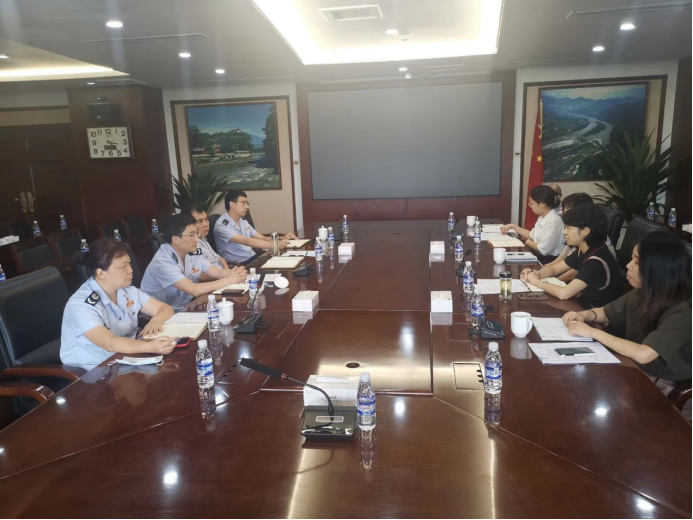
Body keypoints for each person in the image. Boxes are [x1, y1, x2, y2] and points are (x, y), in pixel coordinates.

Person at [563, 232, 691, 408]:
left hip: (668, 384)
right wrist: (585, 315)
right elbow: (606, 312)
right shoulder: (645, 291)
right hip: (635, 367)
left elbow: (644, 354)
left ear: (657, 269)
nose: (628, 266)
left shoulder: (683, 311)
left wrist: (592, 332)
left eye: (636, 262)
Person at [61, 238, 177, 371]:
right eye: (123, 266)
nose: (130, 270)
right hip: (94, 371)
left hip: (126, 358)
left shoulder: (126, 290)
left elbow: (165, 308)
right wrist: (150, 347)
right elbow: (109, 343)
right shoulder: (81, 304)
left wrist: (156, 319)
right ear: (101, 273)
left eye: (129, 263)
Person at [521, 204, 625, 309]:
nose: (564, 232)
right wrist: (536, 273)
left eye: (568, 228)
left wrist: (536, 282)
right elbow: (554, 269)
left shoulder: (596, 261)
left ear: (585, 231)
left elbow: (564, 293)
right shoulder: (585, 249)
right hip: (584, 304)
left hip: (598, 313)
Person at [141, 214, 247, 312]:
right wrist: (229, 280)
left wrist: (237, 273)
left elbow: (217, 272)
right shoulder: (162, 262)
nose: (196, 239)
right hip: (158, 316)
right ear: (175, 239)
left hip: (184, 308)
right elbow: (194, 289)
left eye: (196, 233)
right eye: (191, 235)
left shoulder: (191, 252)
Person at [545, 193, 617, 282]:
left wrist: (546, 282)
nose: (565, 212)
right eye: (564, 209)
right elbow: (560, 261)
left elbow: (572, 275)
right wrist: (540, 271)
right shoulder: (577, 238)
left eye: (569, 209)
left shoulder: (594, 244)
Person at [214, 190, 298, 264]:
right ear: (232, 204)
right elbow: (246, 241)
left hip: (253, 257)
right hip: (239, 264)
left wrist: (282, 238)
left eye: (247, 203)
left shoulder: (243, 221)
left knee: (287, 258)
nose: (247, 206)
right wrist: (274, 245)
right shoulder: (221, 225)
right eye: (243, 203)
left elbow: (261, 238)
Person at [501, 185, 565, 264]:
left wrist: (527, 241)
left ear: (542, 204)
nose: (530, 206)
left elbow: (543, 249)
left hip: (548, 260)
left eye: (531, 203)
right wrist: (512, 226)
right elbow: (532, 235)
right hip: (537, 255)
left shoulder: (554, 221)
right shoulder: (543, 216)